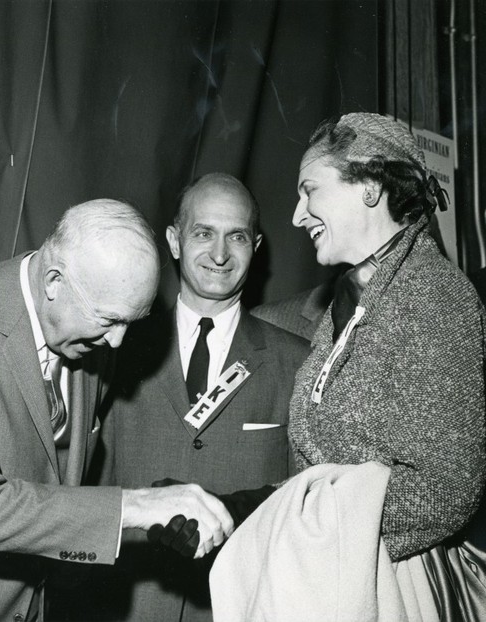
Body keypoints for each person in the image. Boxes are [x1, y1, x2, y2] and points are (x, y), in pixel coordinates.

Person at [0, 199, 233, 622]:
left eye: (129, 324)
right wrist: (135, 506)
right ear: (54, 281)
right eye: (109, 320)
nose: (117, 343)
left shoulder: (89, 334)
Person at [208, 113, 486, 617]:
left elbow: (449, 490)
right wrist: (241, 506)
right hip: (335, 572)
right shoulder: (350, 304)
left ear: (370, 188)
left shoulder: (436, 295)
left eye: (309, 190)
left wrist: (306, 523)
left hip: (392, 585)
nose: (296, 216)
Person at [51, 174, 309, 621]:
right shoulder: (111, 350)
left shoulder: (297, 362)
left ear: (257, 246)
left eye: (238, 237)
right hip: (124, 605)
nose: (220, 254)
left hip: (240, 606)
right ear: (173, 240)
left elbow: (304, 506)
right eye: (203, 233)